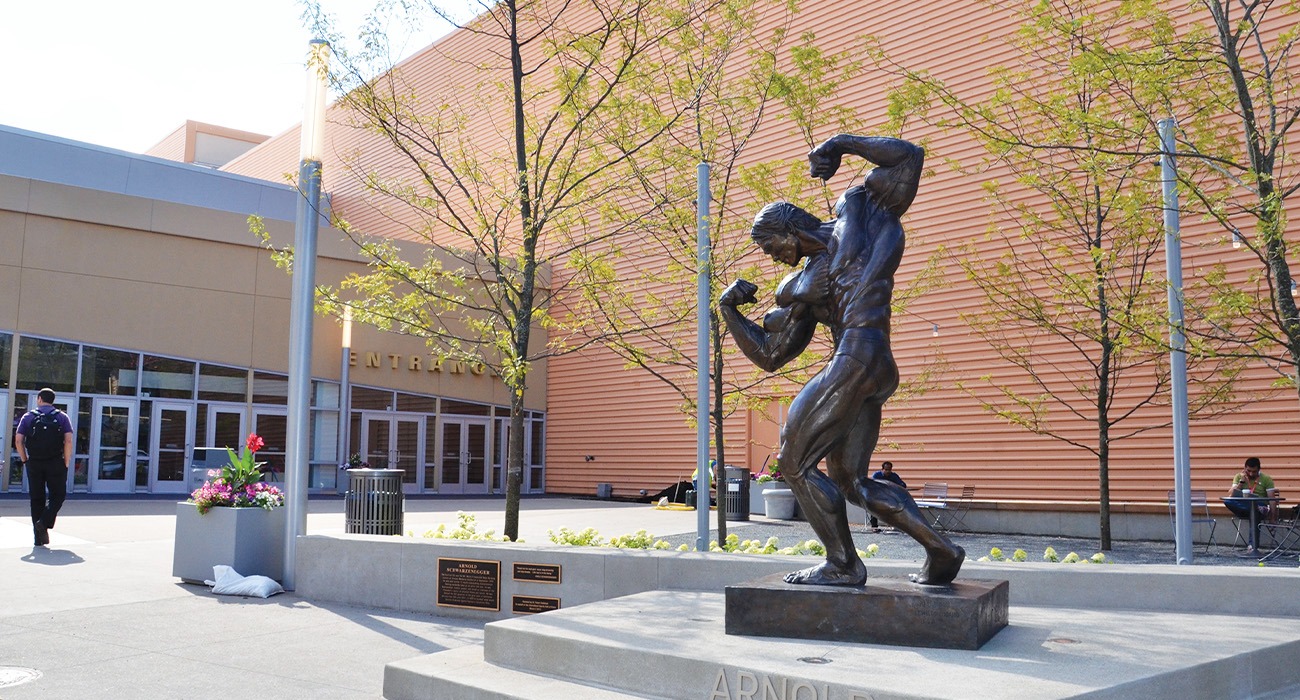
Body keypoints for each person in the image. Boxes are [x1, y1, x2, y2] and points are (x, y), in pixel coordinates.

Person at [719, 133, 964, 586]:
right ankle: (942, 551)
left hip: (856, 356)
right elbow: (772, 356)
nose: (773, 259)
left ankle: (843, 565)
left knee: (792, 464)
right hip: (874, 365)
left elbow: (910, 157)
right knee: (851, 483)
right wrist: (730, 312)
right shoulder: (804, 284)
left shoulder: (861, 212)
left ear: (788, 230)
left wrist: (840, 144)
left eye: (772, 248)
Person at [15, 388, 74, 547]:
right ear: (52, 400)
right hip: (55, 461)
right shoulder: (62, 417)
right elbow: (68, 441)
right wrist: (66, 461)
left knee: (36, 498)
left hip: (34, 462)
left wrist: (25, 459)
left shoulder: (28, 417)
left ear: (39, 399)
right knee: (58, 495)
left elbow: (19, 440)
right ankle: (44, 522)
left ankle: (38, 538)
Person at [1226, 457, 1279, 525]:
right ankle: (1254, 510)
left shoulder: (1266, 479)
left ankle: (1256, 510)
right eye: (1249, 471)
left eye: (1254, 472)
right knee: (1227, 501)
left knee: (1255, 515)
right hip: (1244, 504)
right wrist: (1241, 482)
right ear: (1244, 469)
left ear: (1259, 470)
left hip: (1259, 504)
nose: (1251, 474)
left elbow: (1272, 499)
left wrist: (1272, 518)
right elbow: (1231, 495)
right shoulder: (1239, 477)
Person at [869, 461, 906, 532]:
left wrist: (896, 485)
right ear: (882, 469)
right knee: (873, 506)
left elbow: (903, 485)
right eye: (886, 470)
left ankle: (895, 525)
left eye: (889, 470)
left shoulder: (894, 476)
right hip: (878, 497)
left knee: (897, 505)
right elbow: (873, 484)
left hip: (889, 497)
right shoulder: (877, 475)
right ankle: (874, 526)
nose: (888, 471)